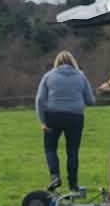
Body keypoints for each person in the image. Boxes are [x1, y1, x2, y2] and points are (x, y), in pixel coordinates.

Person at [35, 49, 95, 193]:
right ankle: (73, 185)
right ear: (73, 62)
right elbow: (91, 100)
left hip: (53, 116)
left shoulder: (48, 76)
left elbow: (40, 100)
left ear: (57, 62)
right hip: (75, 117)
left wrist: (42, 121)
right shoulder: (81, 76)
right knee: (72, 151)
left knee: (50, 148)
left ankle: (55, 177)